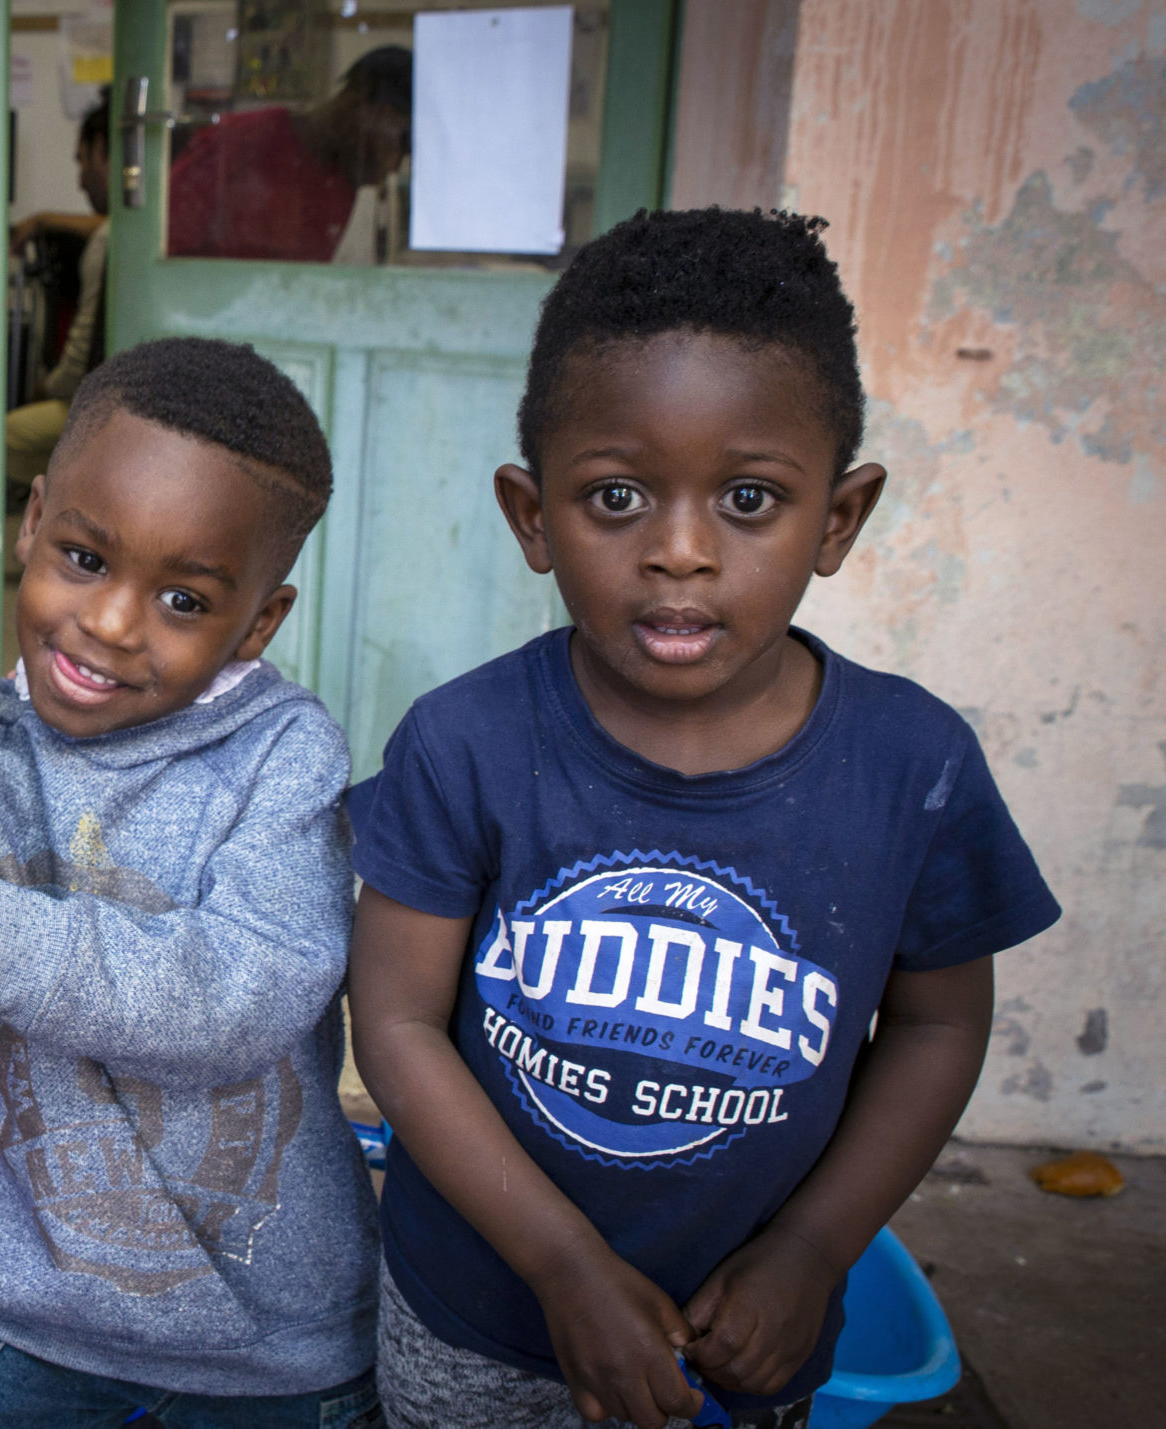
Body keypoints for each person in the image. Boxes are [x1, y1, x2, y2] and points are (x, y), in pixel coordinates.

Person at [345, 209, 1061, 1429]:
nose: (679, 552)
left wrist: (817, 1247)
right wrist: (562, 1262)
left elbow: (939, 1026)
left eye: (747, 497)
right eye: (616, 495)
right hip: (474, 1313)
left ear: (837, 519)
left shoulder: (912, 765)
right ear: (531, 516)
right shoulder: (463, 743)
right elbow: (399, 1020)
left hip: (747, 1336)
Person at [0, 339, 382, 1428]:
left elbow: (241, 997)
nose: (113, 622)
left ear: (258, 621)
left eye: (181, 597)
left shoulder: (283, 755)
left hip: (264, 1356)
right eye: (83, 558)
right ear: (33, 522)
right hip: (6, 1315)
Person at [166, 46, 411, 263]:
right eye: (402, 142)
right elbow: (156, 250)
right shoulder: (238, 142)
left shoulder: (340, 184)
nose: (393, 167)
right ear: (361, 103)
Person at [6, 102, 115, 493]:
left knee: (1, 441)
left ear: (103, 149)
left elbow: (81, 357)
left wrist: (46, 388)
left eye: (83, 160)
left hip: (103, 407)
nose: (81, 180)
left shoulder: (106, 241)